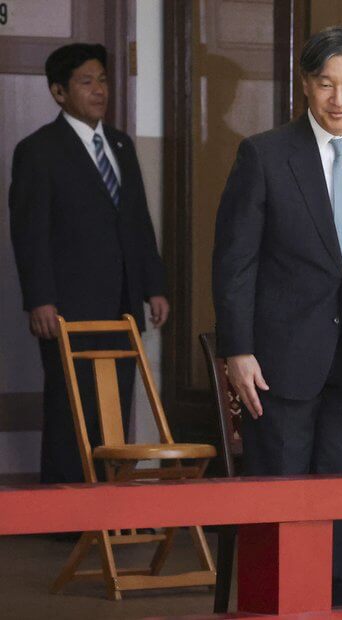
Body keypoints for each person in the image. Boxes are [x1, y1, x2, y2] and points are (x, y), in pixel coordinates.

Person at [212, 27, 342, 606]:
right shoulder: (265, 154)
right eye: (326, 83)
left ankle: (333, 606)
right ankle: (269, 605)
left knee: (341, 499)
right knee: (278, 492)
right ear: (305, 85)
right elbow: (235, 261)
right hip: (278, 360)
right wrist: (238, 349)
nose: (338, 98)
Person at [9, 43, 169, 485]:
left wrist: (153, 285)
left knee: (114, 401)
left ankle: (110, 500)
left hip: (119, 302)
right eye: (86, 82)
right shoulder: (38, 150)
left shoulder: (120, 144)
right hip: (67, 306)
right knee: (70, 404)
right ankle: (67, 508)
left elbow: (137, 222)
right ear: (59, 93)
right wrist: (39, 299)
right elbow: (29, 233)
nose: (99, 90)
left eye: (102, 80)